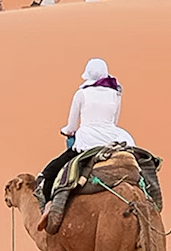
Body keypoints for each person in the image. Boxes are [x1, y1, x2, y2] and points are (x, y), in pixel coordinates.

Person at [37, 58, 135, 205]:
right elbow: (114, 122)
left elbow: (71, 127)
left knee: (49, 173)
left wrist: (67, 131)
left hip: (87, 142)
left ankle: (49, 209)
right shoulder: (115, 94)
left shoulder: (81, 94)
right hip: (113, 138)